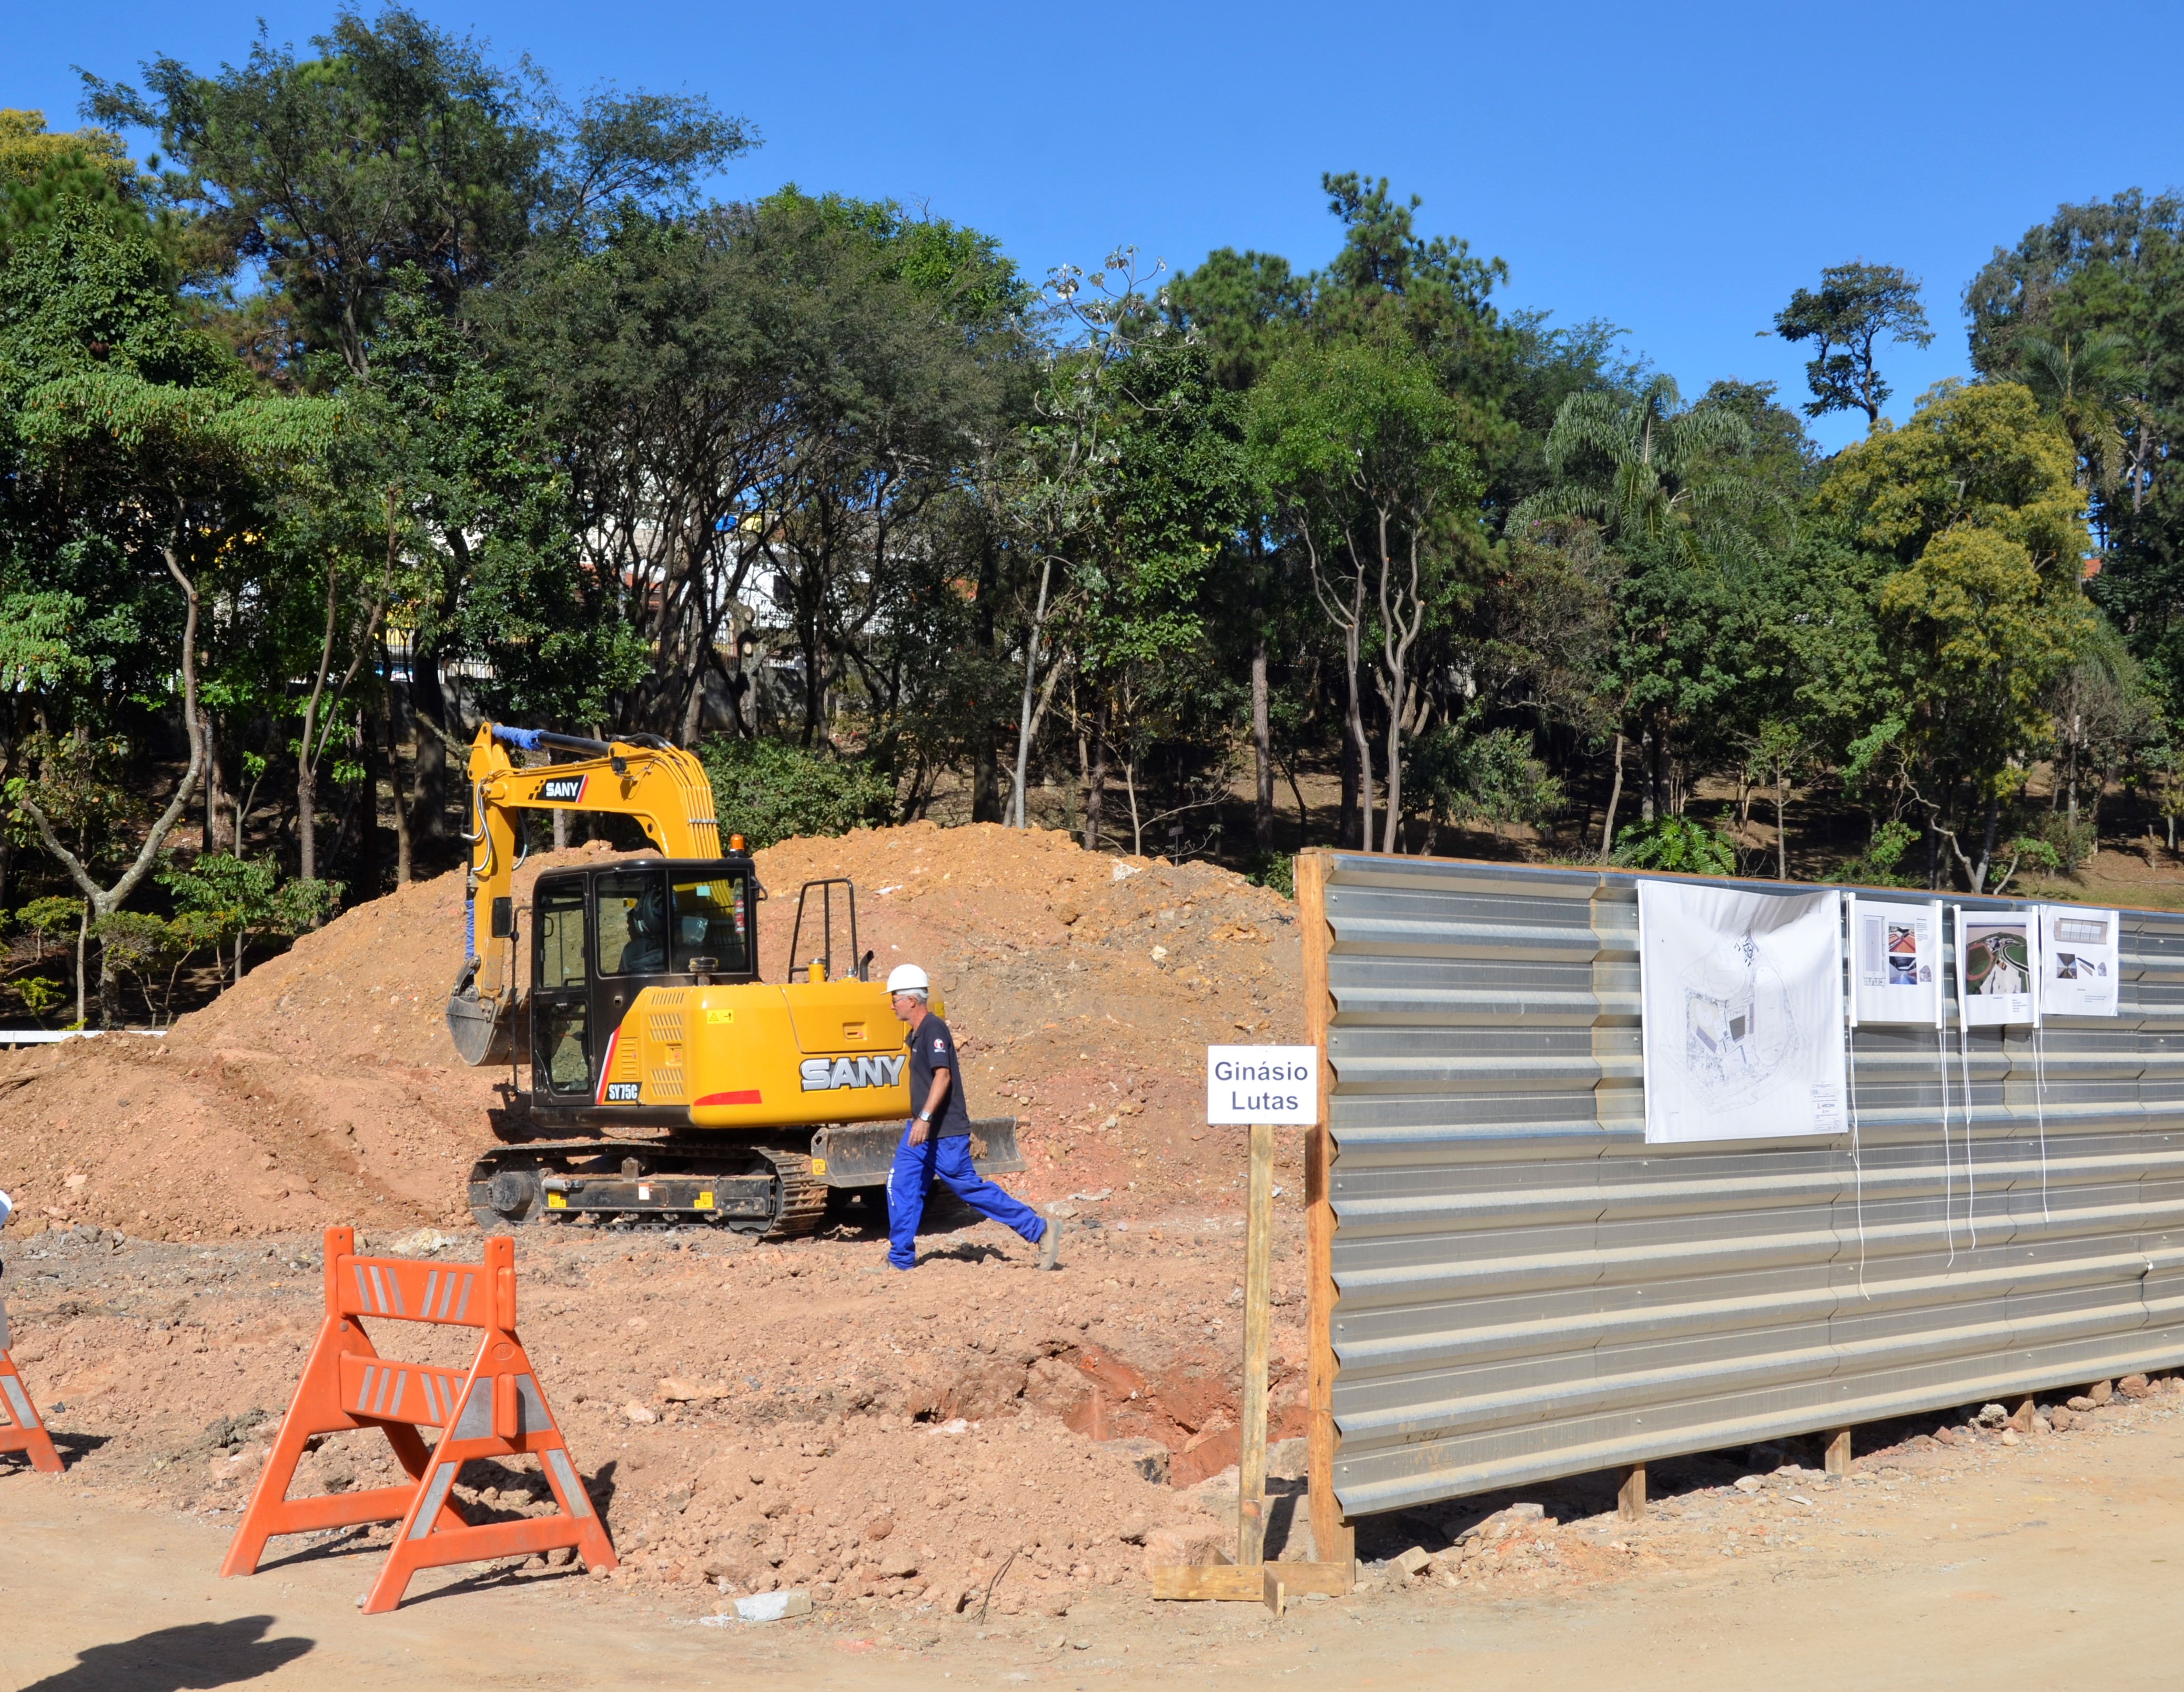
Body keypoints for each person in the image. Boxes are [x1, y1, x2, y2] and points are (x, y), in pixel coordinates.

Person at [883, 964, 1059, 1273]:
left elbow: (943, 1075)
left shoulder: (934, 1029)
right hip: (920, 1132)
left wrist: (924, 1118)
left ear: (912, 1000)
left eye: (895, 997)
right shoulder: (916, 1034)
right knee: (901, 1185)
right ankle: (900, 1260)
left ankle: (1040, 1230)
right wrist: (919, 1122)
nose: (892, 1004)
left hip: (943, 1132)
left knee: (969, 1190)